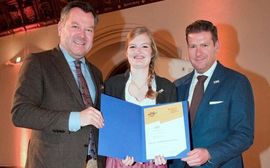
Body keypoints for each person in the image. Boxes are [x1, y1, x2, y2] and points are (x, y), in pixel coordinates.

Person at [11, 1, 105, 168]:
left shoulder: (96, 73)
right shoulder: (38, 62)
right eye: (75, 26)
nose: (82, 35)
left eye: (89, 30)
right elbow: (20, 113)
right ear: (60, 27)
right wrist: (76, 118)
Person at [171, 20, 254, 168]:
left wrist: (210, 153)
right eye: (193, 46)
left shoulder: (236, 82)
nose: (198, 53)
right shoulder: (177, 86)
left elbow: (244, 135)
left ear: (216, 46)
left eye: (204, 45)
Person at [104, 26, 177, 168]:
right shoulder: (111, 85)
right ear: (126, 53)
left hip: (155, 163)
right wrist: (119, 152)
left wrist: (166, 153)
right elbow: (107, 127)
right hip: (120, 162)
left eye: (144, 46)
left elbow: (171, 131)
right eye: (132, 47)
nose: (138, 51)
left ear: (152, 52)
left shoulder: (168, 87)